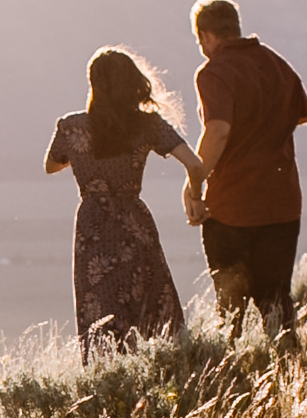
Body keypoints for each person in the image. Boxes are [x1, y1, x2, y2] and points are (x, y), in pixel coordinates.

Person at [44, 46, 207, 358]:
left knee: (101, 315)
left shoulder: (71, 126)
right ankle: (170, 371)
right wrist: (196, 199)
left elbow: (51, 165)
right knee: (153, 307)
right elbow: (196, 165)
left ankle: (109, 382)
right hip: (135, 222)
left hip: (93, 228)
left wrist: (82, 157)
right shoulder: (148, 125)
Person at [185, 0, 307, 345]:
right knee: (276, 299)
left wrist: (194, 186)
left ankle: (230, 384)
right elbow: (305, 114)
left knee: (230, 309)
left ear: (206, 36)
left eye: (200, 40)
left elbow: (219, 130)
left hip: (232, 207)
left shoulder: (214, 72)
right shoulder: (277, 64)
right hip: (283, 203)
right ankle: (292, 382)